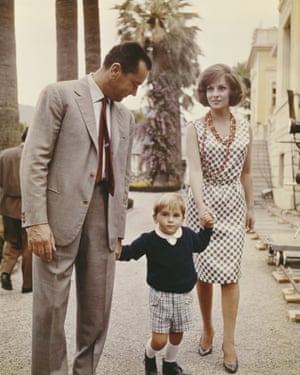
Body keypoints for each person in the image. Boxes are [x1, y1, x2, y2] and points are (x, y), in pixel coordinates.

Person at [20, 42, 152, 375]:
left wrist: (119, 231)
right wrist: (36, 222)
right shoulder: (59, 95)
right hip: (56, 217)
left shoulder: (124, 117)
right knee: (50, 311)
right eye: (135, 83)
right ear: (116, 70)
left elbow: (122, 177)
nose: (135, 93)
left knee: (97, 312)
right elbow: (34, 160)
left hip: (104, 218)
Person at [185, 64, 255, 374]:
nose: (215, 94)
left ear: (232, 91)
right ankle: (207, 328)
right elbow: (195, 171)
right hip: (205, 203)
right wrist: (200, 206)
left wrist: (251, 208)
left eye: (221, 88)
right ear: (204, 92)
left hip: (234, 205)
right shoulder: (195, 128)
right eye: (210, 88)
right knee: (203, 272)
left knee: (230, 274)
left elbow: (247, 172)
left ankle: (229, 342)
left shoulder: (246, 127)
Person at [117, 193, 214, 375]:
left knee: (177, 335)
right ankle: (149, 355)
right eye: (165, 215)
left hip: (184, 296)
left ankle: (170, 364)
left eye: (176, 216)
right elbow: (131, 252)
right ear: (155, 217)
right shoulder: (149, 239)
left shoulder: (188, 236)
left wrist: (207, 229)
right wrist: (115, 252)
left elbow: (200, 244)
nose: (170, 220)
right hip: (160, 297)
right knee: (160, 340)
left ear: (183, 218)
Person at [0, 127, 32, 293]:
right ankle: (27, 284)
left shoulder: (5, 155)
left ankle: (5, 272)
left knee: (11, 242)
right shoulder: (34, 155)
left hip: (8, 205)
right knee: (28, 245)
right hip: (29, 205)